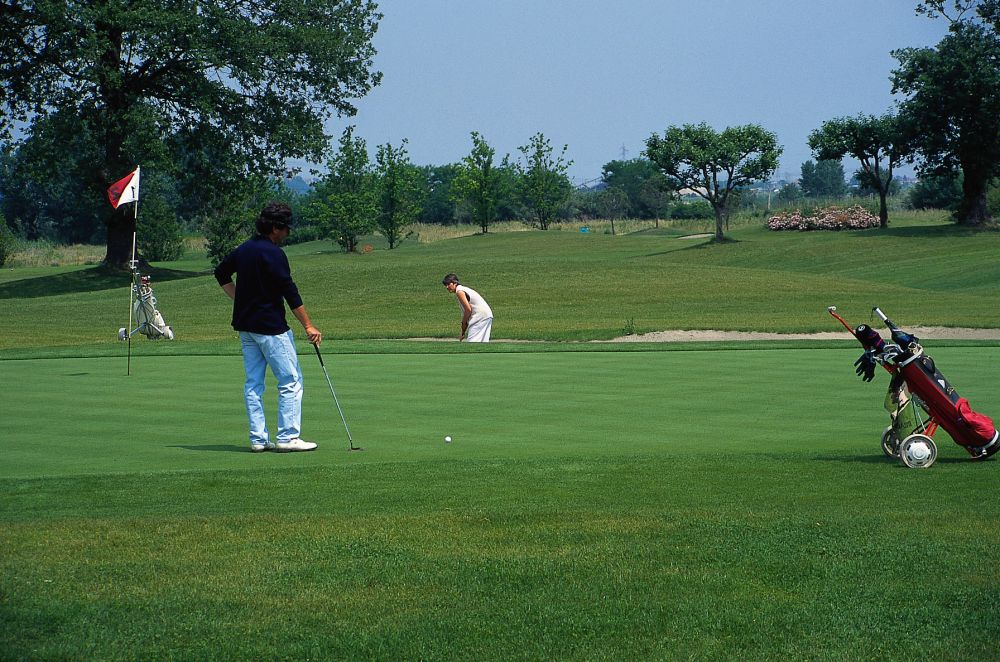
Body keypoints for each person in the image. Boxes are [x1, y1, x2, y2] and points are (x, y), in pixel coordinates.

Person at [214, 202, 322, 452]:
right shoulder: (274, 253)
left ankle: (258, 439)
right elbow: (289, 292)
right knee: (290, 380)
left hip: (246, 327)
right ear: (275, 228)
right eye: (285, 229)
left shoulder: (244, 249)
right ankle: (287, 437)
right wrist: (308, 325)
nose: (287, 234)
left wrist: (240, 299)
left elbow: (221, 273)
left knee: (253, 383)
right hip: (271, 328)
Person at [442, 273, 493, 342]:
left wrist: (463, 322)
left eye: (448, 284)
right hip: (486, 315)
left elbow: (468, 310)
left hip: (480, 317)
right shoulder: (462, 289)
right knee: (482, 344)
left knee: (472, 344)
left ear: (455, 283)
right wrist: (463, 331)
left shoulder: (459, 291)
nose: (447, 287)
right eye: (445, 285)